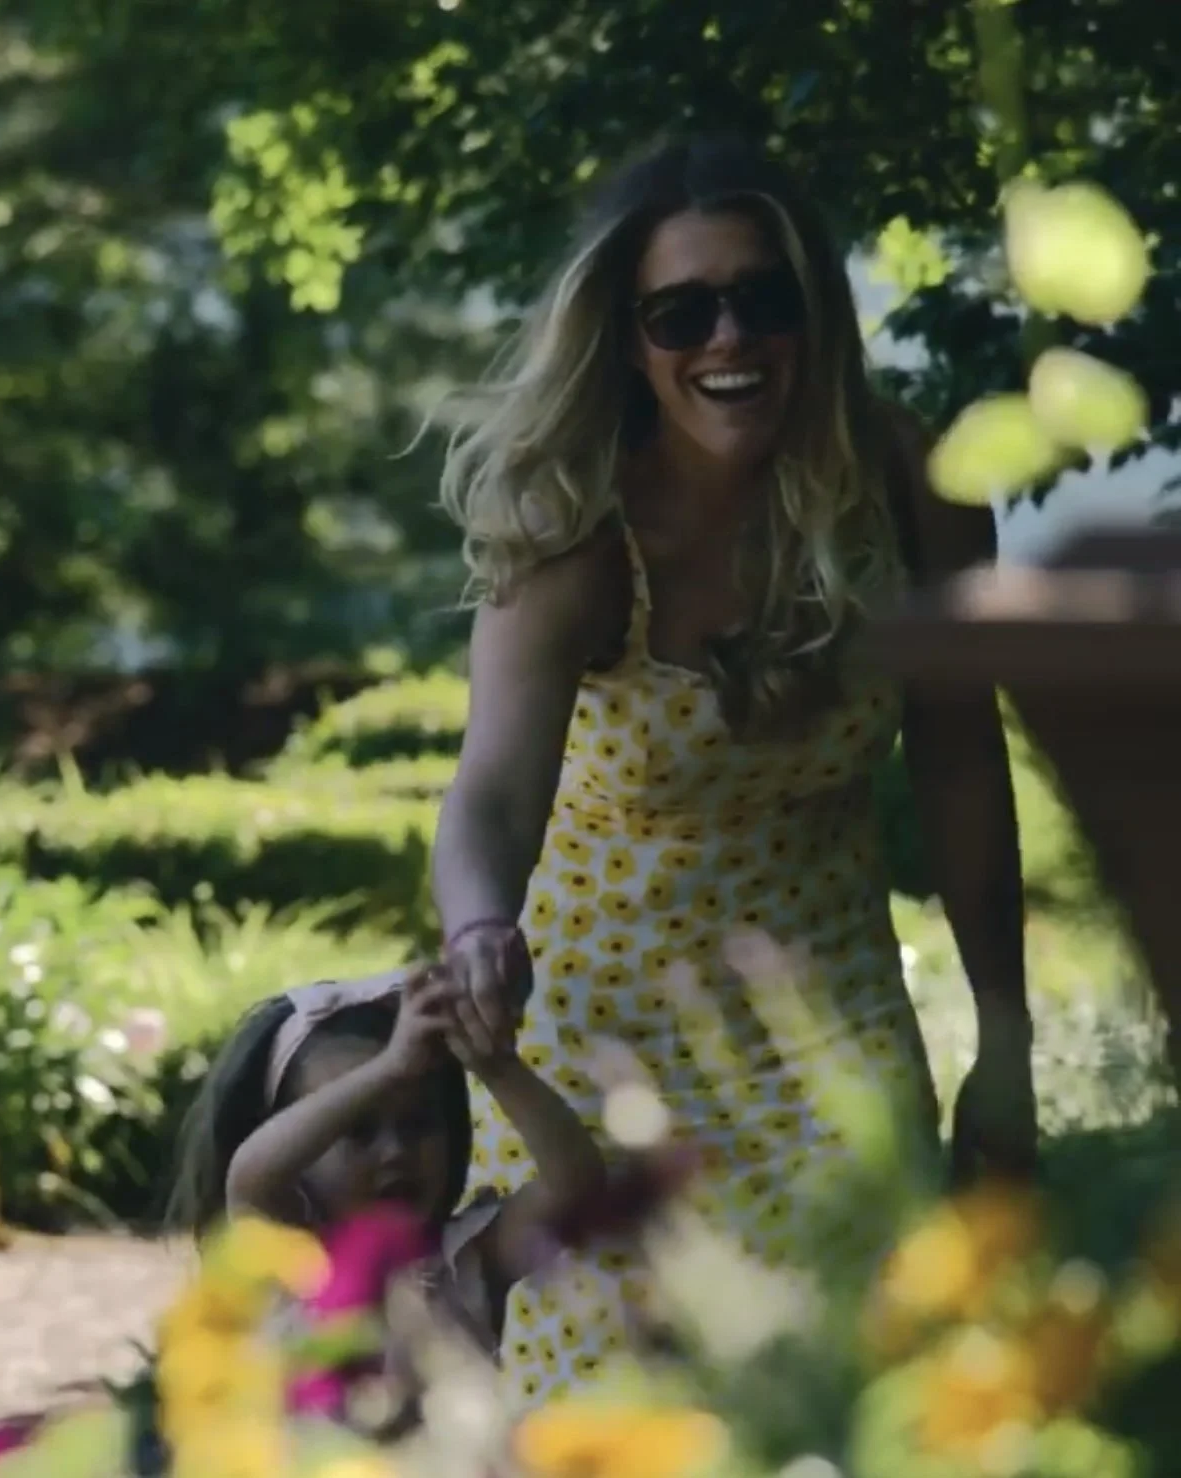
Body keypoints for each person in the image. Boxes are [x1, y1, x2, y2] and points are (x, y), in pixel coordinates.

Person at [429, 133, 1039, 1405]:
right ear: (628, 337)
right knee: (615, 1407)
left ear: (814, 307)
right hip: (606, 1051)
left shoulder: (908, 486)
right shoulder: (580, 533)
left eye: (765, 296)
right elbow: (489, 788)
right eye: (682, 309)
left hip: (829, 1027)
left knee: (853, 1389)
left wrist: (1004, 1027)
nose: (730, 336)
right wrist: (480, 922)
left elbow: (964, 770)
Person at [165, 968, 604, 1411]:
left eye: (418, 1124)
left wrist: (498, 1067)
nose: (395, 1151)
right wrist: (391, 1069)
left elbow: (577, 1186)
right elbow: (252, 1174)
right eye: (358, 1129)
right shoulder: (286, 1256)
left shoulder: (467, 1259)